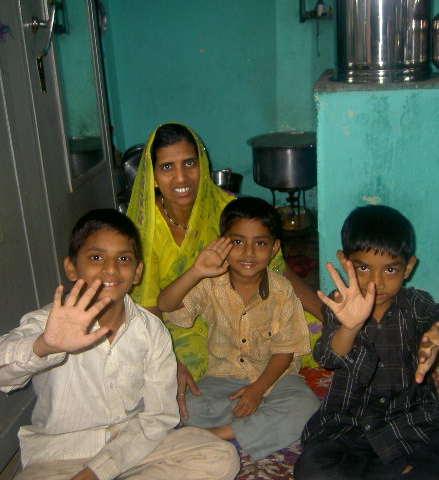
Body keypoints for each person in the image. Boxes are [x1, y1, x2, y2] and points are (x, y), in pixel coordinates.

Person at [0, 209, 240, 480]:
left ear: (137, 272)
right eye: (96, 257)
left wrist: (97, 472)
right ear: (71, 268)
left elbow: (158, 417)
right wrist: (45, 345)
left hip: (132, 447)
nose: (111, 269)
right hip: (60, 455)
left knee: (220, 456)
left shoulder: (151, 330)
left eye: (123, 259)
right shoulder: (51, 323)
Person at [294, 205, 439, 480]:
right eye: (363, 268)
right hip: (350, 426)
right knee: (312, 468)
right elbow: (328, 356)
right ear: (345, 262)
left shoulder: (416, 304)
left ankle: (395, 473)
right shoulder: (341, 305)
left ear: (408, 268)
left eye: (390, 269)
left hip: (412, 423)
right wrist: (350, 327)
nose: (376, 283)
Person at [126, 122, 323, 413]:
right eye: (167, 167)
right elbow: (151, 306)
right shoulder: (144, 228)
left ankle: (257, 391)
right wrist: (170, 362)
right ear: (153, 176)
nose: (181, 177)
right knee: (184, 373)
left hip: (241, 307)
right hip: (176, 321)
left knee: (316, 335)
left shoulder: (226, 208)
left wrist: (330, 316)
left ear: (202, 165)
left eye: (189, 163)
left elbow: (279, 272)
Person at [157, 197, 320, 461]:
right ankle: (254, 426)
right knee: (190, 406)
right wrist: (196, 271)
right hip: (224, 380)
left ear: (274, 248)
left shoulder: (282, 290)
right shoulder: (209, 283)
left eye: (260, 243)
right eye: (237, 242)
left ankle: (219, 433)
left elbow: (286, 350)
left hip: (276, 379)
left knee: (306, 406)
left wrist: (258, 389)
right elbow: (166, 304)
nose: (248, 253)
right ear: (222, 244)